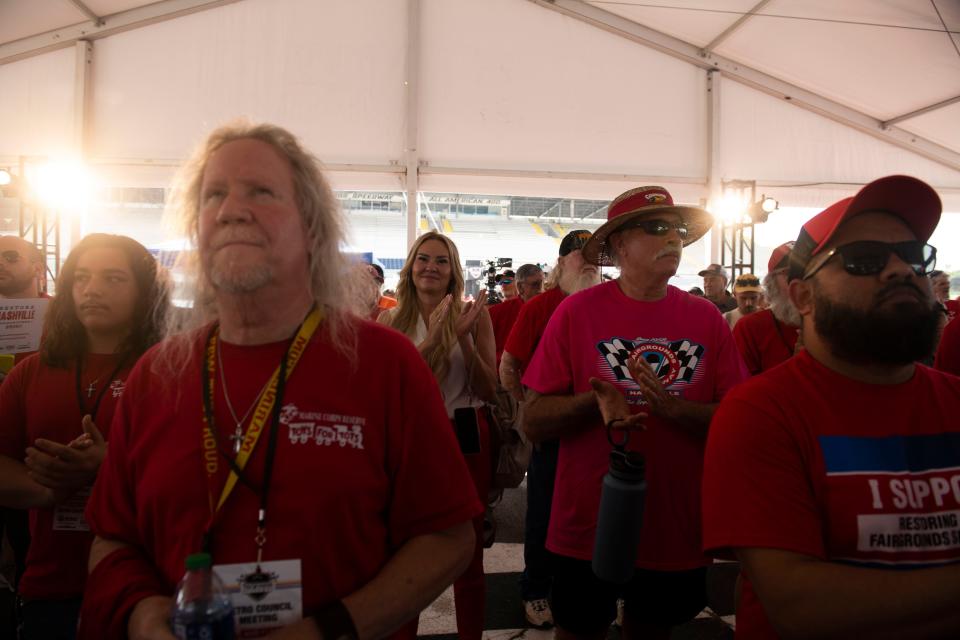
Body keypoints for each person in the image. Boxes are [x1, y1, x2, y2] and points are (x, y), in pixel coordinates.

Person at [80, 123, 480, 640]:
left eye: (261, 192)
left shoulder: (385, 363)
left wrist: (327, 630)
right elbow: (111, 538)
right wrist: (141, 613)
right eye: (214, 195)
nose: (231, 209)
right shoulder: (157, 373)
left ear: (312, 229)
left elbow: (449, 539)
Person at [702, 175, 960, 639]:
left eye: (914, 256)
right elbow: (802, 606)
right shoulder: (760, 413)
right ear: (803, 297)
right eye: (865, 260)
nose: (902, 270)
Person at [522, 186, 747, 640]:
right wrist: (594, 401)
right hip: (587, 522)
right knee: (579, 629)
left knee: (652, 629)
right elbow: (532, 420)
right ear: (619, 245)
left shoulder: (706, 319)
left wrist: (676, 410)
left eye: (678, 230)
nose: (674, 239)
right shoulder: (575, 313)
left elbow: (740, 420)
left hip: (674, 524)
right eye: (656, 228)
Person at [0, 233, 168, 640]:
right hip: (49, 583)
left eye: (113, 278)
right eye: (81, 278)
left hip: (147, 589)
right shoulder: (32, 372)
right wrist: (47, 490)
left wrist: (108, 467)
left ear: (144, 291)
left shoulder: (172, 370)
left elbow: (194, 475)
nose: (92, 290)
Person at [379, 230, 496, 640]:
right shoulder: (389, 321)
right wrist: (435, 339)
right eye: (423, 259)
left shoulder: (476, 315)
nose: (431, 266)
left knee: (469, 551)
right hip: (413, 441)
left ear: (453, 272)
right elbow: (393, 388)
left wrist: (462, 335)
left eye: (441, 261)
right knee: (406, 551)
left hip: (467, 436)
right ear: (410, 267)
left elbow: (489, 388)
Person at [498, 229, 597, 630]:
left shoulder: (607, 303)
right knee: (543, 513)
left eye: (596, 255)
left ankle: (603, 588)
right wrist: (526, 413)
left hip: (599, 430)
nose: (589, 262)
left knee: (603, 513)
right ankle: (535, 590)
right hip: (553, 430)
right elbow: (509, 365)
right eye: (580, 254)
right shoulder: (541, 305)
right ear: (561, 262)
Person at [732, 242, 802, 376]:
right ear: (772, 283)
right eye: (789, 273)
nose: (800, 280)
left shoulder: (832, 323)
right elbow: (740, 389)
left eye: (808, 270)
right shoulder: (750, 328)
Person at [489, 263, 543, 370]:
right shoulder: (495, 312)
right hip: (501, 375)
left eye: (507, 281)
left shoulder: (547, 309)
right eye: (536, 285)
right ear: (520, 287)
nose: (540, 290)